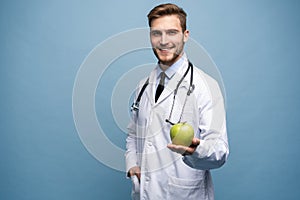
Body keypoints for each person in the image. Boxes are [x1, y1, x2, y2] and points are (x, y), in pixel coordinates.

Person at [125, 3, 229, 200]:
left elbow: (220, 152)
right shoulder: (143, 85)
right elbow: (133, 133)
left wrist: (195, 150)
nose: (164, 41)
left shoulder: (206, 86)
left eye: (172, 32)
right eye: (156, 33)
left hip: (185, 194)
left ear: (185, 35)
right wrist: (132, 164)